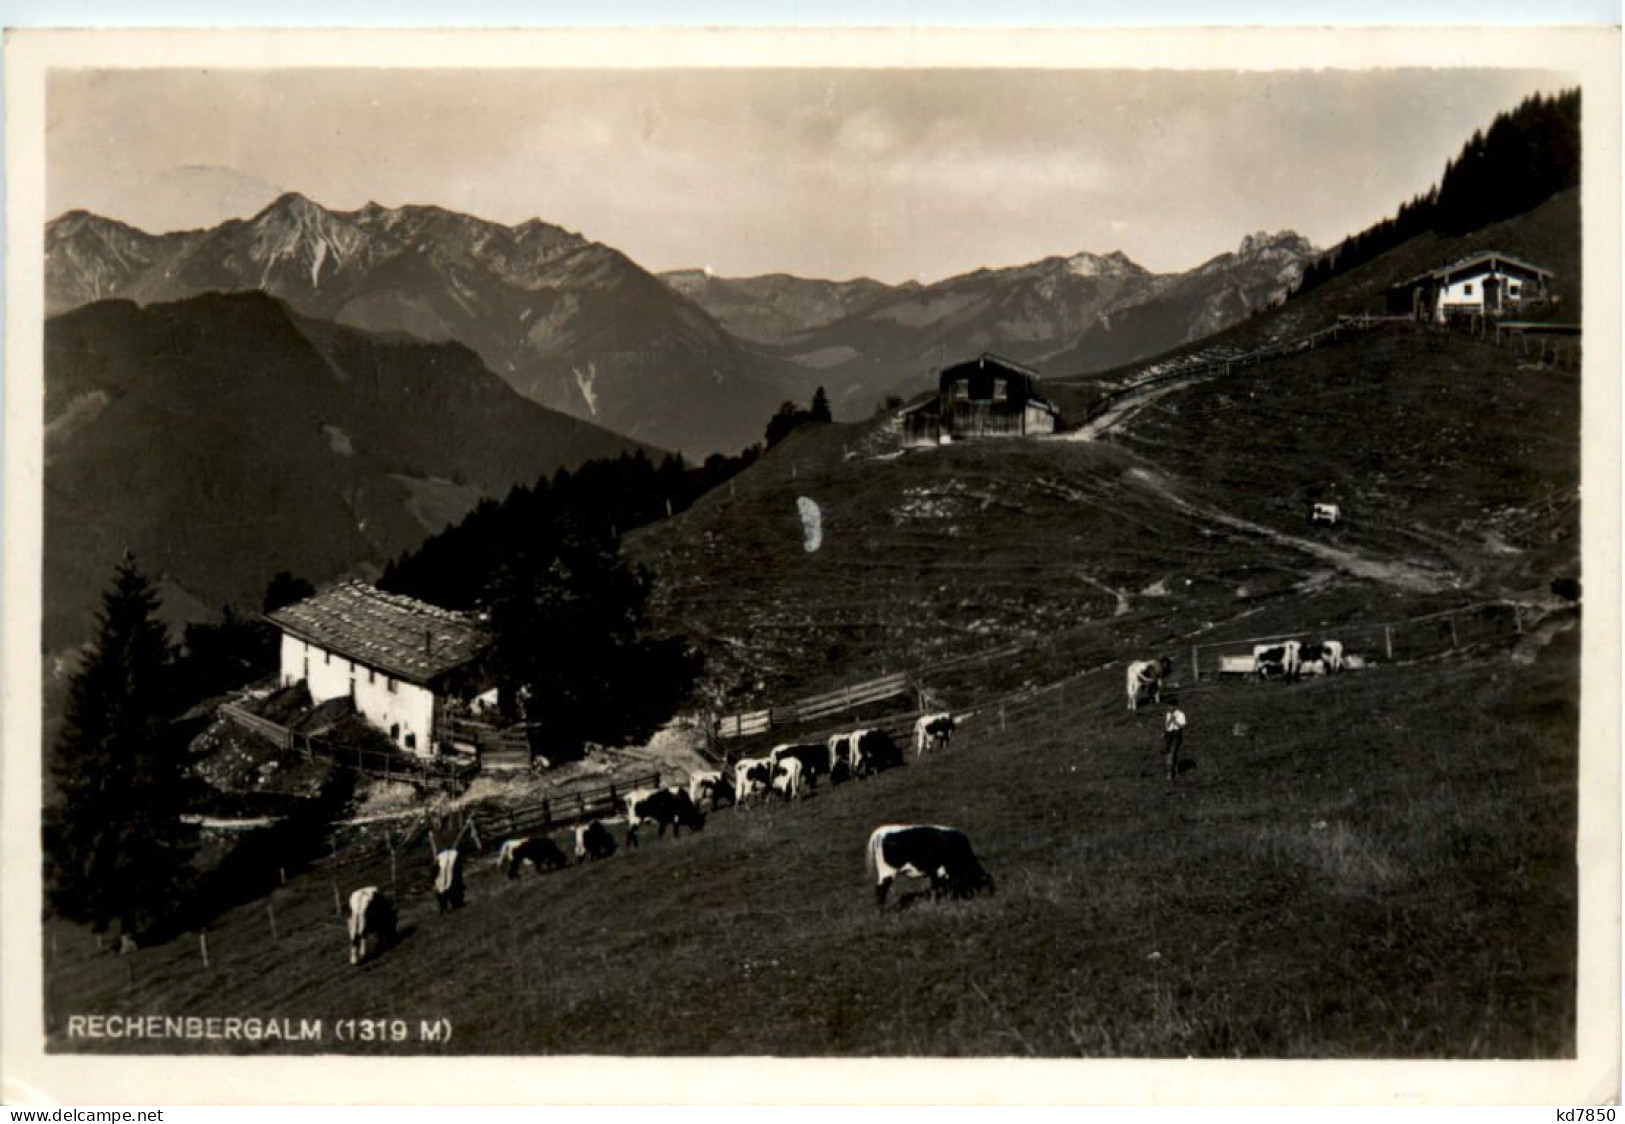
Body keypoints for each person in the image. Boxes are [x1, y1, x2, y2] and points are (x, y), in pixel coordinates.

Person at [1162, 701, 1187, 782]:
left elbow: (1183, 726)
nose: (1169, 708)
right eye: (1168, 706)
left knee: (1171, 753)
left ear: (1175, 706)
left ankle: (1169, 774)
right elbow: (1167, 726)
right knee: (1169, 753)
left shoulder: (1180, 714)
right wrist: (1164, 732)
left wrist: (1175, 721)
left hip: (1177, 735)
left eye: (1171, 706)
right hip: (1169, 735)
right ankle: (1174, 769)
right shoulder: (1168, 714)